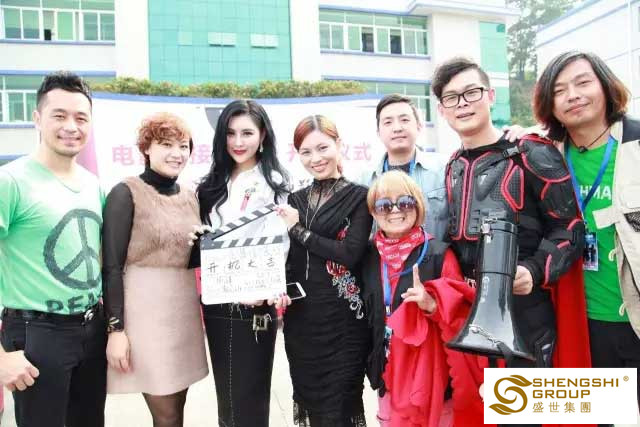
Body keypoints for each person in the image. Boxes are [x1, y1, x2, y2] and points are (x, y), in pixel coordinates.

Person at [431, 56, 590, 373]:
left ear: (490, 96)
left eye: (472, 92)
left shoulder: (531, 151)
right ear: (441, 109)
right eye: (452, 97)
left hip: (525, 314)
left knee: (522, 403)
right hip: (468, 314)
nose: (462, 104)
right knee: (476, 404)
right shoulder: (453, 165)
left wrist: (533, 270)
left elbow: (570, 228)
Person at [0, 71, 107, 427]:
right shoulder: (10, 181)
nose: (71, 127)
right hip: (36, 335)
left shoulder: (93, 185)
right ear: (37, 118)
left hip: (91, 329)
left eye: (81, 118)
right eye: (59, 116)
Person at [533, 50, 640, 402]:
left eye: (582, 83)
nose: (573, 95)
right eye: (559, 90)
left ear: (605, 86)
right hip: (580, 324)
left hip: (635, 317)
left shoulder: (635, 143)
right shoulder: (541, 157)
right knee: (594, 417)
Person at [102, 112, 208, 426]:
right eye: (166, 145)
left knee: (178, 408)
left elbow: (187, 255)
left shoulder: (190, 196)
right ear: (147, 148)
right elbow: (111, 265)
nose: (177, 153)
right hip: (145, 315)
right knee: (167, 415)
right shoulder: (126, 192)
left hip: (183, 311)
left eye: (183, 146)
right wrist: (116, 330)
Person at [361, 171, 485, 427]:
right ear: (373, 212)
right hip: (387, 373)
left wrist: (432, 305)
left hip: (430, 379)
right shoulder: (369, 255)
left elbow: (463, 318)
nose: (395, 210)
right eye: (384, 205)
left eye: (405, 202)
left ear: (417, 206)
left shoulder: (438, 255)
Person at [194, 99, 290, 427]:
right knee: (228, 398)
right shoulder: (211, 184)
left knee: (249, 399)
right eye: (230, 133)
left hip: (255, 304)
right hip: (218, 302)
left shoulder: (274, 182)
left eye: (247, 133)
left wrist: (264, 287)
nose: (238, 141)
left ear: (263, 136)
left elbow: (280, 241)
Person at [276, 115, 373, 426]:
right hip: (302, 321)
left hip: (343, 321)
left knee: (341, 406)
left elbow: (349, 254)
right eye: (306, 152)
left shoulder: (360, 197)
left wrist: (298, 230)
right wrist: (278, 287)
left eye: (322, 148)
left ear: (338, 145)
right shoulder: (295, 200)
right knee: (312, 404)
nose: (315, 158)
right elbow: (290, 260)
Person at [359, 94, 449, 240]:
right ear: (378, 132)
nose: (397, 128)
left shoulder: (445, 170)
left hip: (435, 254)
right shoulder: (364, 180)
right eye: (388, 122)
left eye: (404, 120)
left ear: (419, 126)